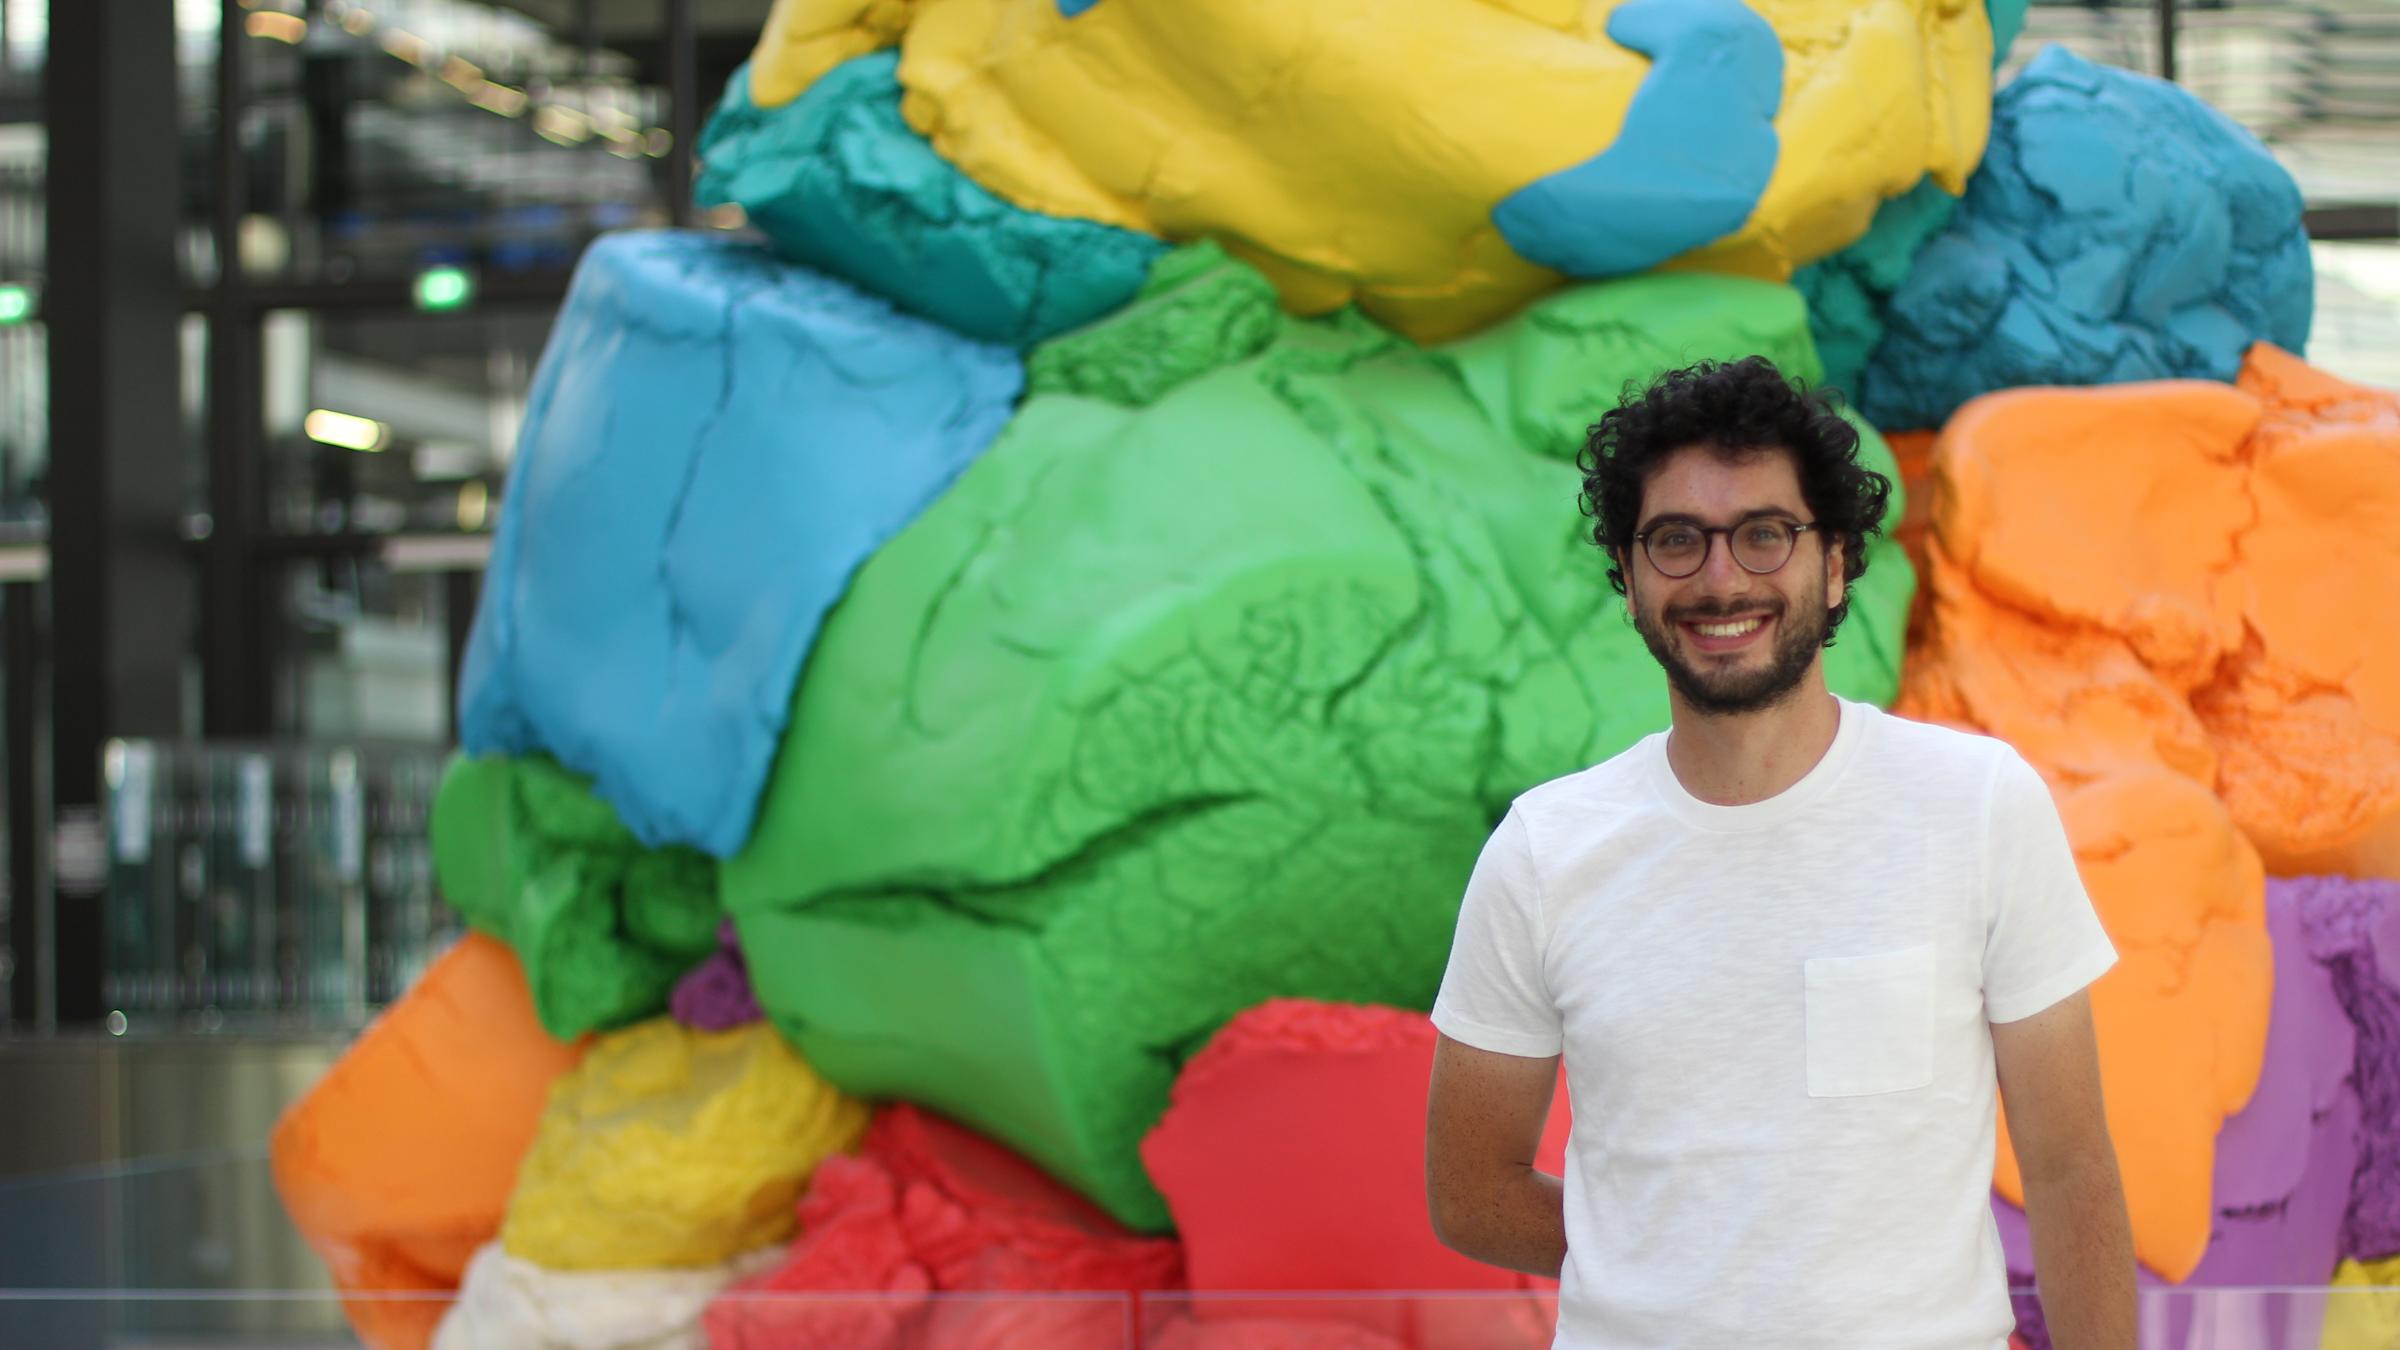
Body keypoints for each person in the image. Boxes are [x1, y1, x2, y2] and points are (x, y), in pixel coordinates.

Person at [1423, 356, 2136, 1348]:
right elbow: (1469, 1192)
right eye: (1676, 541)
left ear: (1835, 561)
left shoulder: (1978, 805)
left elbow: (2068, 1169)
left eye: (1765, 534)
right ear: (1627, 579)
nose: (1723, 578)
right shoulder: (1545, 851)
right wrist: (1677, 1266)